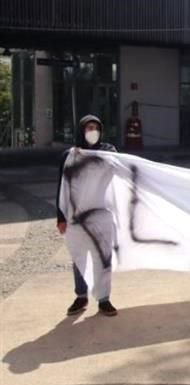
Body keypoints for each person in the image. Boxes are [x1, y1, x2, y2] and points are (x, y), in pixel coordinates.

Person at [57, 115, 120, 316]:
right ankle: (81, 296)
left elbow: (120, 170)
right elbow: (62, 187)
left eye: (96, 128)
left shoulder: (108, 152)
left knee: (102, 258)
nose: (93, 131)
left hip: (101, 215)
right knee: (79, 258)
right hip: (76, 217)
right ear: (81, 131)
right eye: (88, 128)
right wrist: (60, 216)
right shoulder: (70, 155)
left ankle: (104, 299)